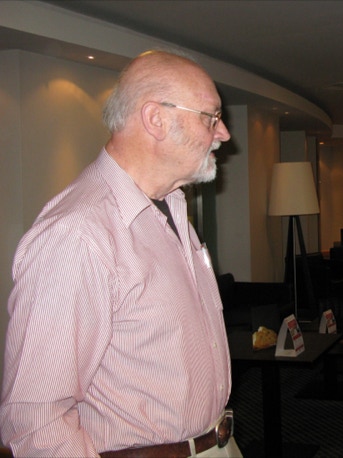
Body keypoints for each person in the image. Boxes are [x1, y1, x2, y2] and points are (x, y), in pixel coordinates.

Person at [0, 50, 241, 457]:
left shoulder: (171, 208)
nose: (224, 134)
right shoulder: (78, 235)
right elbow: (35, 420)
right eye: (210, 117)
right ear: (155, 119)